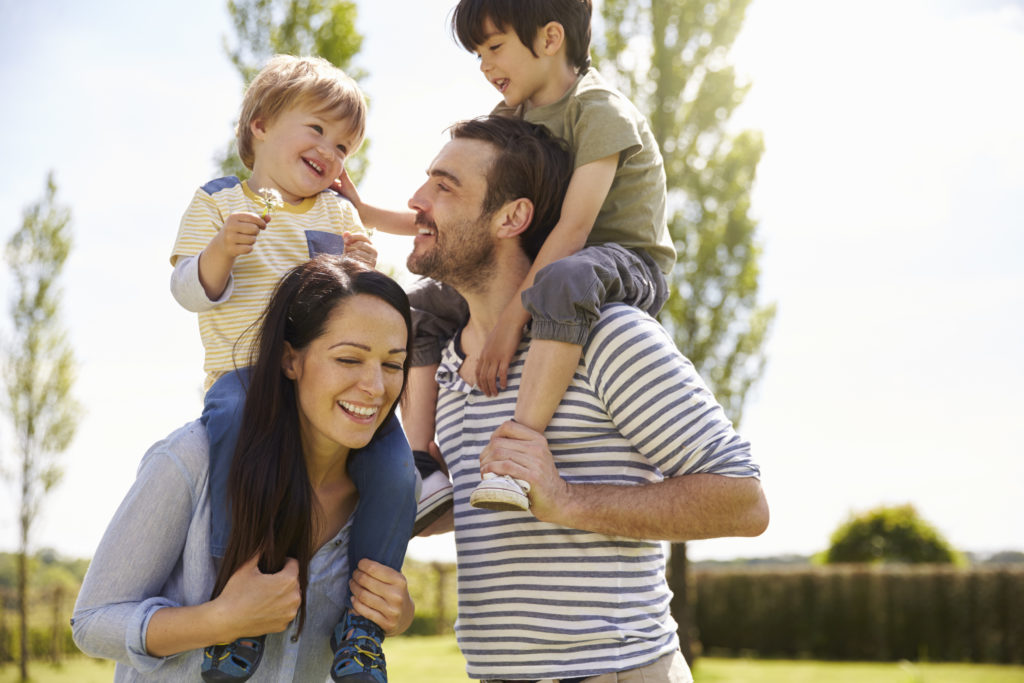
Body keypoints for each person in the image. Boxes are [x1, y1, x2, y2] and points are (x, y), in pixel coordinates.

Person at [406, 115, 769, 682]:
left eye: (444, 185)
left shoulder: (607, 336)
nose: (416, 199)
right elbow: (498, 511)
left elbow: (744, 502)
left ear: (512, 217)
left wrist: (568, 499)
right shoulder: (440, 366)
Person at [338, 0, 675, 513]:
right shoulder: (510, 118)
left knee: (565, 279)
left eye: (494, 47)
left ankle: (518, 451)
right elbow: (466, 216)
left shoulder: (599, 110)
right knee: (418, 309)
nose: (485, 66)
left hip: (621, 262)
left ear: (550, 38)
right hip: (556, 266)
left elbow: (575, 228)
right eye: (477, 54)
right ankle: (423, 463)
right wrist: (364, 212)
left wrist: (510, 322)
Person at [167, 55, 421, 681]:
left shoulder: (337, 215)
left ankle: (362, 626)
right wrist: (222, 250)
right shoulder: (218, 201)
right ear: (260, 124)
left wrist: (367, 266)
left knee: (396, 467)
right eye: (318, 132)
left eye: (344, 147)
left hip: (324, 389)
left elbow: (357, 315)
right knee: (228, 434)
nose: (332, 154)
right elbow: (186, 290)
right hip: (247, 380)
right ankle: (241, 588)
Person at [73, 257, 415, 682]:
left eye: (392, 364)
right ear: (291, 360)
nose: (376, 387)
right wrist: (219, 621)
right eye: (349, 360)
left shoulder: (387, 497)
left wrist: (395, 615)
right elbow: (91, 621)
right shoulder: (191, 459)